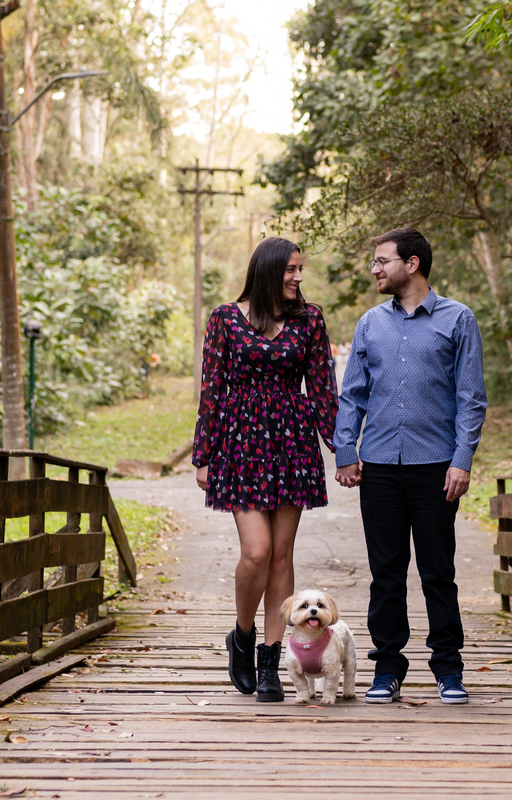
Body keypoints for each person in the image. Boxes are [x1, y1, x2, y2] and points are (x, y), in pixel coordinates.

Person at [333, 227, 487, 705]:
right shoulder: (369, 324)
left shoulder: (458, 320)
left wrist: (462, 461)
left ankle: (448, 668)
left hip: (436, 467)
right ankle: (387, 669)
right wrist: (345, 450)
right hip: (378, 466)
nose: (375, 269)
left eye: (382, 261)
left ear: (412, 263)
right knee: (386, 572)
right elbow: (352, 393)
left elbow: (471, 398)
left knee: (438, 571)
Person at [193, 237, 338, 702]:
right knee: (256, 552)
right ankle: (242, 635)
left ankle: (273, 660)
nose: (298, 277)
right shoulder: (224, 318)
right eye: (291, 270)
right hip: (241, 442)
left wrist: (344, 448)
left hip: (292, 442)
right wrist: (204, 453)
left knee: (281, 554)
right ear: (269, 271)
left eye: (301, 270)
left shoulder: (310, 319)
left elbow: (321, 389)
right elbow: (211, 388)